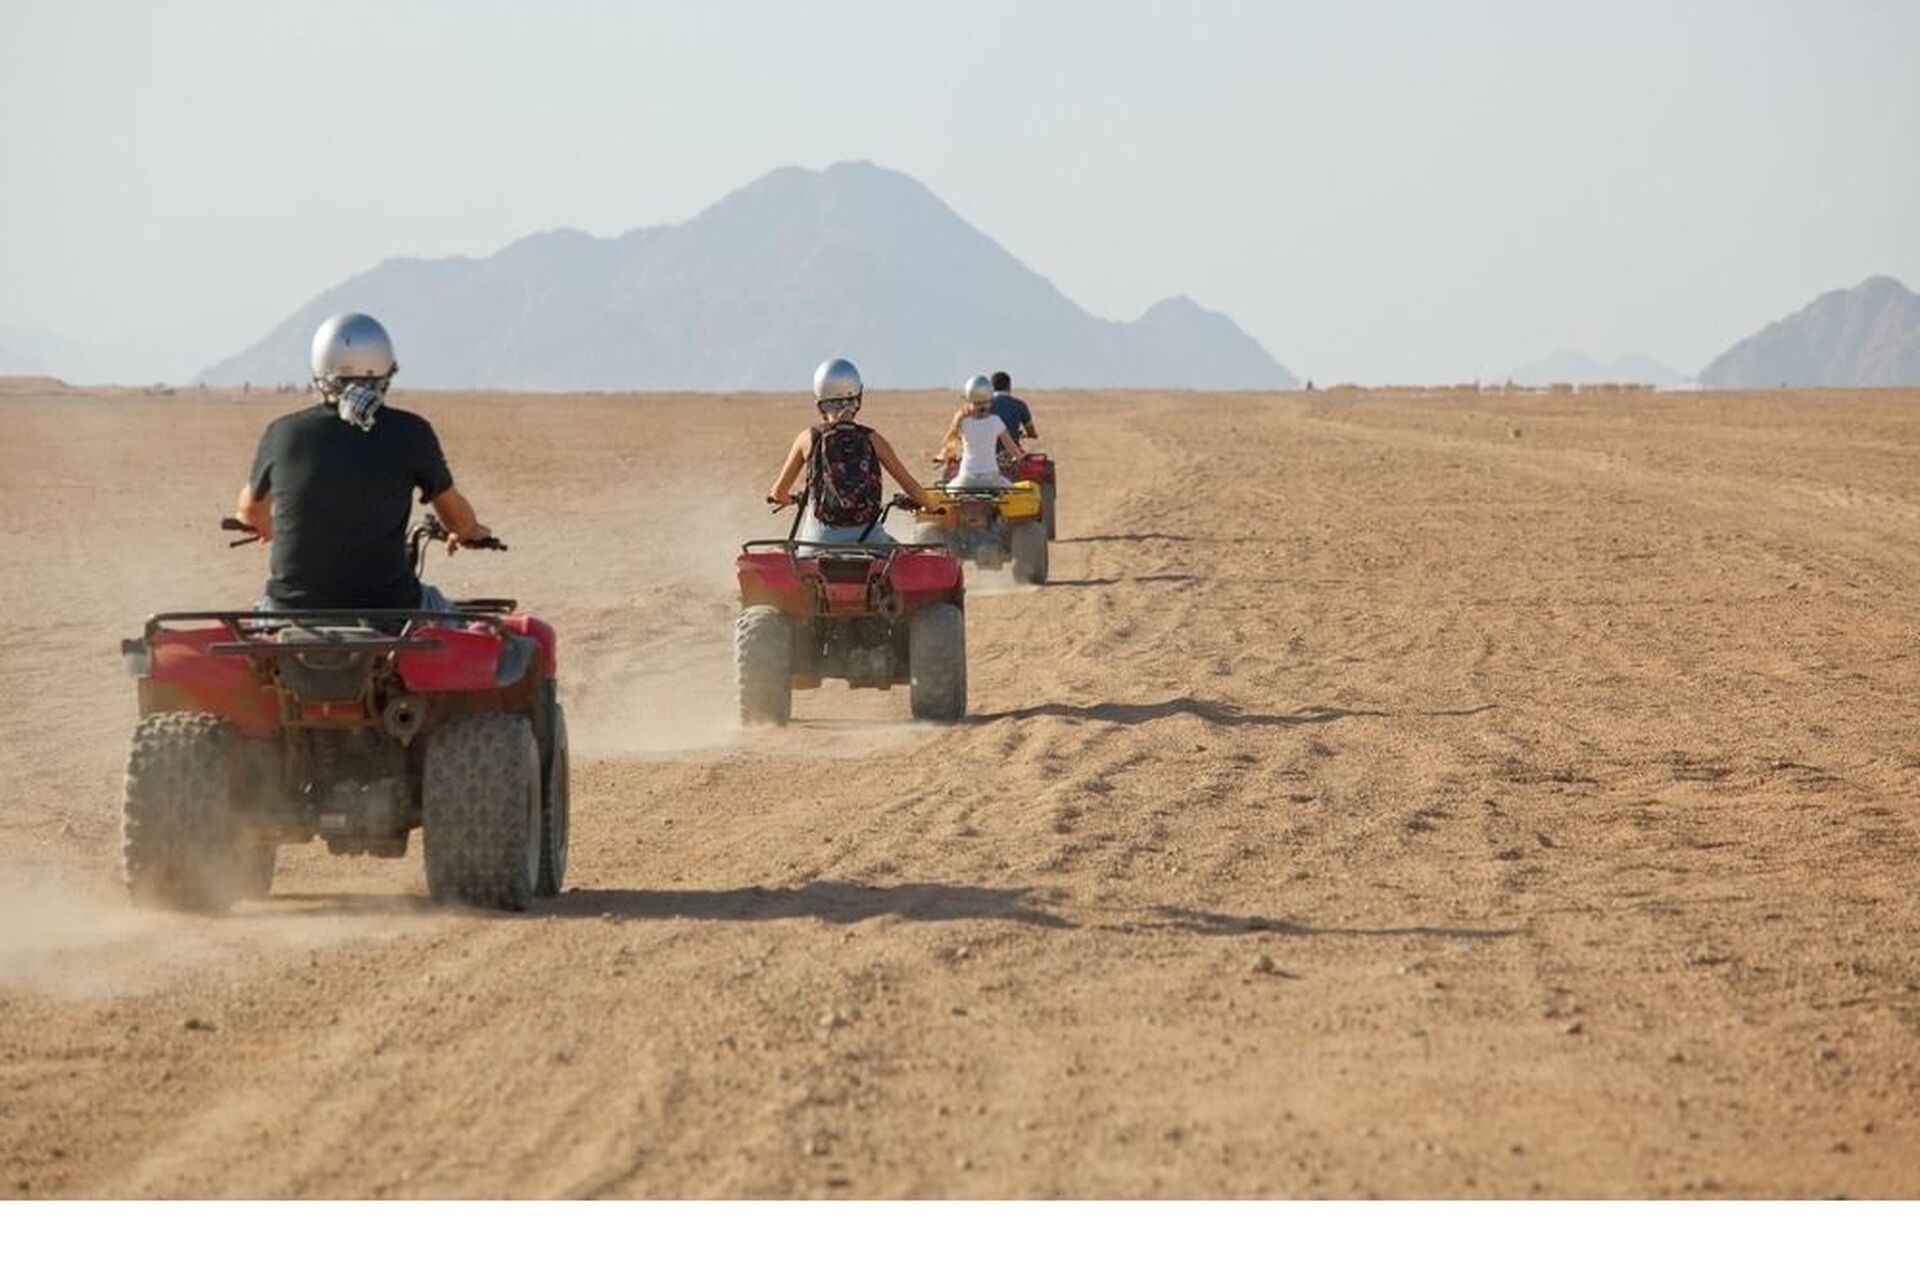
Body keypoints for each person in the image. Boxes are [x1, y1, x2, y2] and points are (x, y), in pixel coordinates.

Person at [234, 312, 494, 612]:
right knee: (470, 630)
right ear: (385, 372)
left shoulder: (282, 433)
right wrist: (469, 531)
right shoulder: (411, 432)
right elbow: (458, 520)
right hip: (392, 609)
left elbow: (250, 513)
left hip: (290, 610)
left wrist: (269, 527)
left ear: (319, 373)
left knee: (254, 637)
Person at [767, 357, 942, 546]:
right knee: (907, 563)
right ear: (858, 396)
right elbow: (910, 485)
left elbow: (778, 492)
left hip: (818, 542)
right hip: (869, 540)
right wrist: (933, 507)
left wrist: (789, 499)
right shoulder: (873, 439)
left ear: (820, 400)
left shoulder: (807, 438)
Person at [937, 374, 1024, 489]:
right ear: (990, 397)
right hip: (991, 479)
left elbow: (951, 446)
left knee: (944, 494)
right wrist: (1020, 458)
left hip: (966, 479)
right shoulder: (996, 421)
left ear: (968, 399)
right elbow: (1013, 450)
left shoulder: (962, 421)